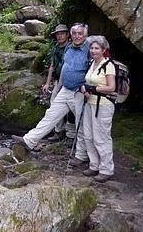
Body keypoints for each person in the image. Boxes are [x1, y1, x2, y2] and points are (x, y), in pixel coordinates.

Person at [14, 23, 90, 165]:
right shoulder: (69, 48)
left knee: (82, 123)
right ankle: (29, 140)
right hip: (65, 89)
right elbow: (63, 69)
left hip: (79, 92)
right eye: (75, 33)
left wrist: (88, 88)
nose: (77, 36)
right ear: (71, 35)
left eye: (80, 33)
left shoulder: (89, 48)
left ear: (85, 35)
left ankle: (81, 155)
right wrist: (59, 86)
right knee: (51, 115)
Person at [80, 35, 116, 183]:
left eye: (97, 48)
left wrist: (93, 88)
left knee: (101, 137)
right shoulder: (92, 63)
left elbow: (111, 87)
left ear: (103, 50)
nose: (93, 50)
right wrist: (85, 89)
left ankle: (106, 169)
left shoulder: (108, 65)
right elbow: (88, 82)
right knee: (88, 136)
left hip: (103, 106)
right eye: (92, 48)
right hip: (90, 103)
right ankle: (94, 165)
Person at [41, 24, 74, 142]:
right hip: (58, 81)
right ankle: (59, 131)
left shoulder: (71, 48)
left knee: (71, 107)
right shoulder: (56, 48)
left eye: (62, 34)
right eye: (58, 34)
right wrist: (47, 83)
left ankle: (70, 133)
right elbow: (52, 66)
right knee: (54, 103)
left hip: (70, 82)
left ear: (67, 35)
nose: (59, 36)